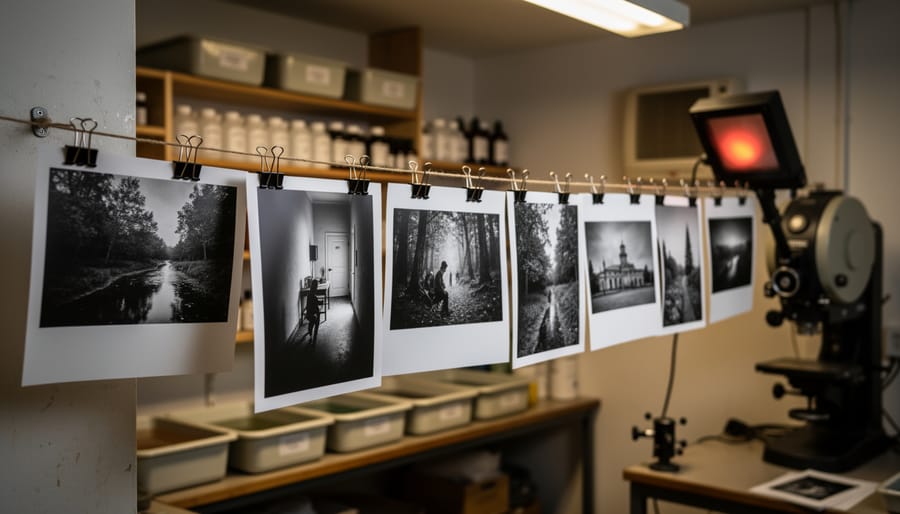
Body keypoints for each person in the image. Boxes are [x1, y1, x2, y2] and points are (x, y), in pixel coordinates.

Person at [305, 279, 321, 344]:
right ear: (316, 287)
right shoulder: (314, 296)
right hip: (311, 314)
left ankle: (310, 331)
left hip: (308, 313)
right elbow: (315, 306)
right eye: (317, 286)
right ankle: (314, 334)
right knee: (317, 317)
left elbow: (309, 306)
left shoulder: (309, 294)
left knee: (316, 314)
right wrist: (320, 303)